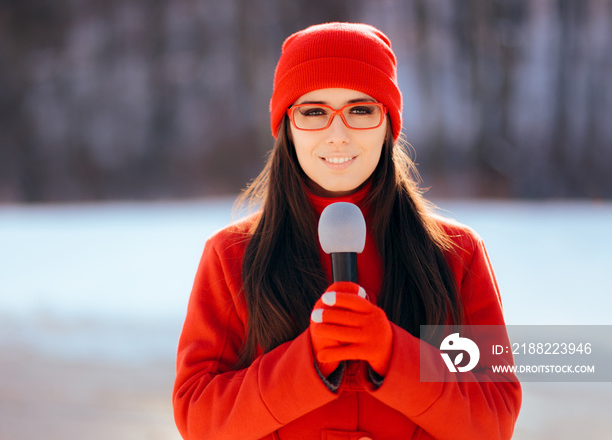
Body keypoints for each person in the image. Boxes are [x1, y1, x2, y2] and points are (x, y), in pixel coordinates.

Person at [172, 22, 521, 440]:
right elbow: (198, 420)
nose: (338, 135)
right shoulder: (231, 256)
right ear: (287, 126)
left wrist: (394, 355)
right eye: (314, 111)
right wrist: (306, 363)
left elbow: (494, 421)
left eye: (360, 110)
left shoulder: (457, 254)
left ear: (388, 124)